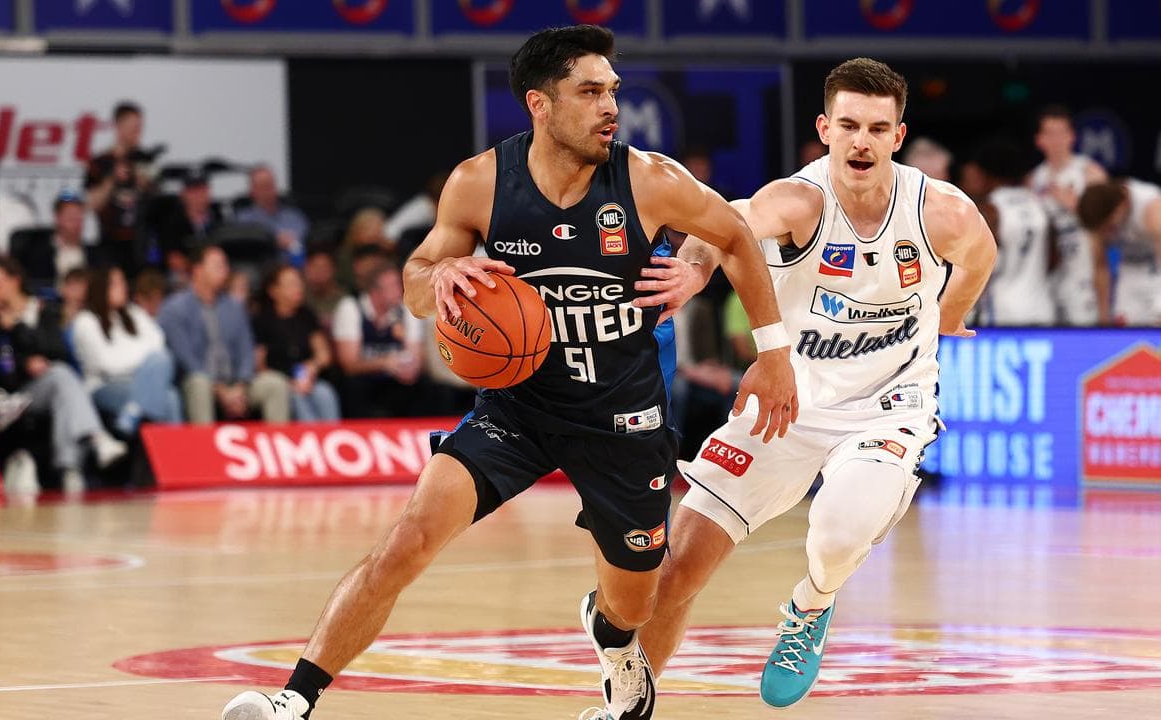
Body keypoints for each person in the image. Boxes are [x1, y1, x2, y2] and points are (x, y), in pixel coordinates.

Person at [222, 24, 797, 720]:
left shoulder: (648, 179)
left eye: (613, 90)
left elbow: (735, 232)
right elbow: (412, 280)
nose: (611, 106)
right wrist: (441, 276)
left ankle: (611, 634)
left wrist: (766, 347)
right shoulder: (481, 183)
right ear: (539, 104)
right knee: (408, 538)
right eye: (590, 92)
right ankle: (294, 698)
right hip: (516, 409)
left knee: (634, 602)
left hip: (622, 417)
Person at [635, 57, 996, 709]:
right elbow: (723, 224)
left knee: (837, 528)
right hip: (786, 400)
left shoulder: (939, 211)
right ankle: (625, 703)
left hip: (888, 411)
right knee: (676, 573)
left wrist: (952, 311)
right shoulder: (799, 200)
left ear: (897, 135)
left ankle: (810, 606)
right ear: (825, 128)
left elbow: (983, 253)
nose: (862, 140)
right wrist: (693, 269)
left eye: (877, 128)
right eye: (850, 125)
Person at [0, 257, 128, 495]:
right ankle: (97, 439)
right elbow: (3, 368)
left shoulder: (43, 309)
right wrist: (22, 350)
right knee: (62, 376)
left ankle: (70, 471)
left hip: (49, 386)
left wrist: (23, 334)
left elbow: (58, 350)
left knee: (62, 381)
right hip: (12, 399)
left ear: (15, 280)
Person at [158, 245, 289, 424]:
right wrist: (220, 391)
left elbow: (247, 351)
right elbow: (187, 361)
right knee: (199, 383)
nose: (225, 271)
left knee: (275, 383)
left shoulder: (234, 307)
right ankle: (203, 449)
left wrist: (241, 386)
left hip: (235, 385)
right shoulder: (174, 308)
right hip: (196, 384)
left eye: (226, 265)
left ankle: (276, 448)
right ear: (197, 270)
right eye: (218, 265)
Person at [72, 267, 183, 436]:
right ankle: (176, 452)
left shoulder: (133, 313)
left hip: (140, 381)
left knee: (168, 385)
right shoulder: (85, 321)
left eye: (123, 282)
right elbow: (108, 365)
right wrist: (145, 360)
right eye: (116, 283)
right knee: (166, 389)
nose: (123, 287)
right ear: (101, 288)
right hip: (103, 387)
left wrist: (135, 357)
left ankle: (134, 412)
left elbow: (159, 341)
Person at [1077, 179, 1161, 327]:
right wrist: (1103, 320)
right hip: (1130, 268)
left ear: (1120, 207)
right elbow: (1101, 267)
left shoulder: (1153, 210)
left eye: (1108, 226)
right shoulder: (1098, 219)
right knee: (1123, 328)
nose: (1105, 233)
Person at [1029, 105, 1106, 326]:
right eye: (1050, 134)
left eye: (1062, 133)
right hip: (1049, 276)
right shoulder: (1034, 180)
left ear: (1072, 137)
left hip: (1084, 275)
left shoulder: (1090, 173)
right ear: (1039, 140)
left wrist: (1076, 207)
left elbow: (1110, 228)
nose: (1057, 140)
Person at [330, 260, 428, 418]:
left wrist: (410, 368)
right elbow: (349, 364)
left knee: (422, 385)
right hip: (364, 380)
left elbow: (416, 356)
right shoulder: (351, 308)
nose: (399, 291)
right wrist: (384, 363)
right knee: (353, 385)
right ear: (375, 291)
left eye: (399, 285)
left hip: (396, 378)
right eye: (392, 286)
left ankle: (415, 434)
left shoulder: (406, 309)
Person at [975, 137, 1055, 326]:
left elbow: (978, 266)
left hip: (1003, 310)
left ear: (987, 174)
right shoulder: (1041, 205)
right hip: (1041, 307)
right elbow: (1054, 259)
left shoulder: (990, 209)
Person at [253, 265, 340, 422]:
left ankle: (332, 437)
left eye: (299, 283)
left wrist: (312, 366)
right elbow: (259, 365)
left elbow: (324, 354)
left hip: (308, 381)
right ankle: (310, 440)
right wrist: (288, 383)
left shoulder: (306, 315)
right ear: (273, 291)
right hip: (281, 383)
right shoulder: (262, 320)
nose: (298, 288)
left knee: (325, 393)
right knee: (297, 400)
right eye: (291, 284)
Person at [86, 101, 155, 274]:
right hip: (109, 244)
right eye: (133, 127)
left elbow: (156, 196)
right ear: (118, 126)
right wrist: (112, 180)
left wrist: (139, 179)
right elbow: (91, 203)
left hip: (142, 244)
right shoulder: (99, 163)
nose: (137, 132)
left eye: (139, 127)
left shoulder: (146, 160)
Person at [235, 164, 310, 267]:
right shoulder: (243, 219)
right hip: (260, 272)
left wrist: (293, 242)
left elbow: (306, 241)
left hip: (293, 271)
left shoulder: (294, 217)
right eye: (263, 186)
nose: (268, 190)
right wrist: (273, 242)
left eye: (271, 184)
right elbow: (244, 248)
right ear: (252, 191)